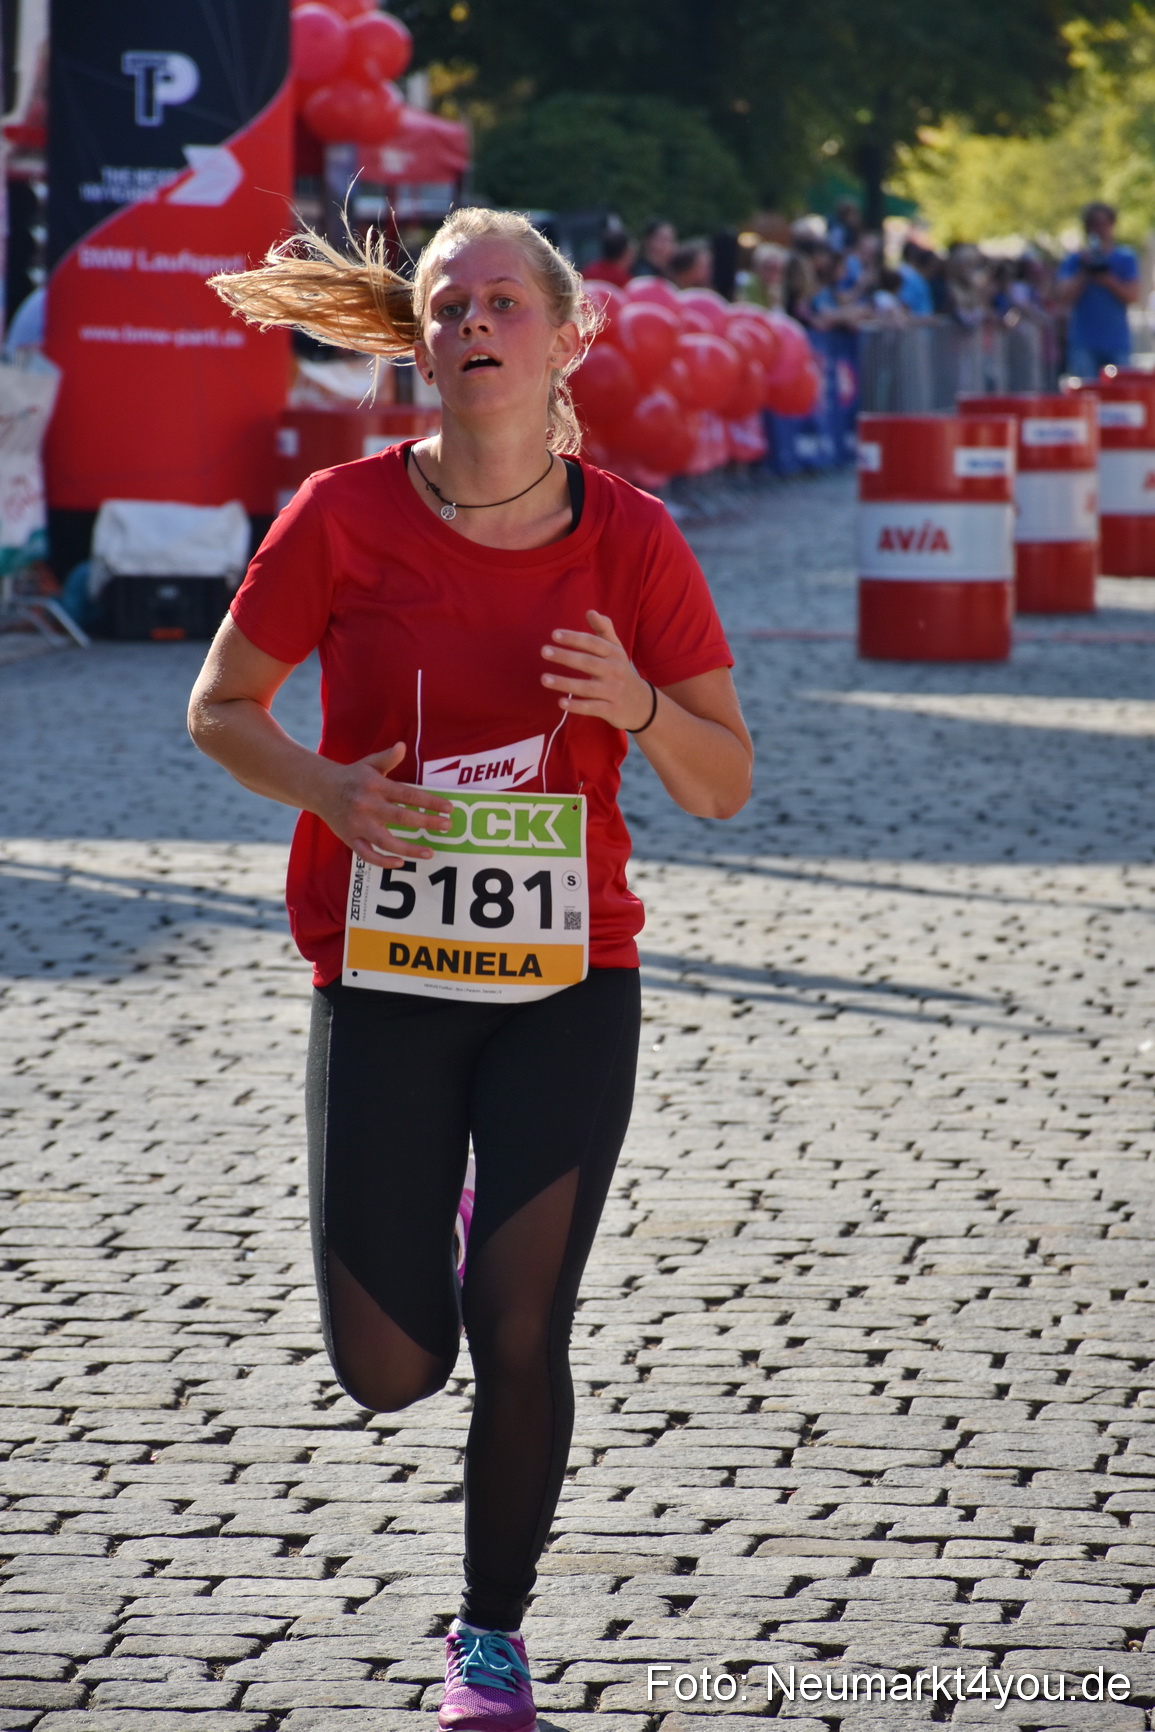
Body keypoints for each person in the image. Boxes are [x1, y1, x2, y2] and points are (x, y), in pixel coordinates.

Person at [187, 206, 752, 1732]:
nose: (474, 322)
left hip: (568, 988)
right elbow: (219, 706)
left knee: (521, 1322)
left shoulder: (632, 538)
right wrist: (325, 789)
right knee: (387, 1367)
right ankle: (424, 1209)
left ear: (565, 339)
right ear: (422, 343)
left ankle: (487, 1639)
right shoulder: (343, 517)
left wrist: (636, 702)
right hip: (382, 978)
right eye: (449, 304)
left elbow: (721, 784)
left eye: (504, 300)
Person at [1057, 201, 1139, 375]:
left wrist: (1107, 279)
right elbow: (1063, 297)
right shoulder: (1075, 260)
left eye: (1104, 223)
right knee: (1086, 393)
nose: (1099, 229)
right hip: (1083, 342)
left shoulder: (1125, 257)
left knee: (1118, 398)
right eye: (1094, 224)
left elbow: (1133, 295)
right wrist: (1084, 272)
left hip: (1117, 341)